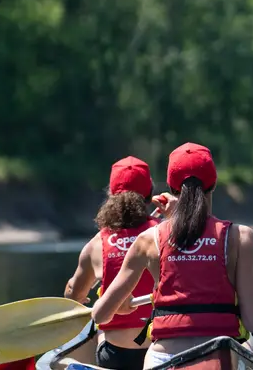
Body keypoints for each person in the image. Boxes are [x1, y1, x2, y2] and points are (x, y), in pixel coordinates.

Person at [92, 142, 253, 369]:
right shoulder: (241, 237)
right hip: (220, 360)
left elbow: (100, 314)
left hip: (162, 362)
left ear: (172, 188)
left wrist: (120, 307)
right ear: (213, 185)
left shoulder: (147, 240)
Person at [64, 156, 161, 370]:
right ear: (150, 194)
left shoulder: (96, 244)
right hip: (160, 350)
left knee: (97, 332)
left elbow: (73, 296)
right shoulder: (165, 233)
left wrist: (82, 292)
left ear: (111, 196)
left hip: (116, 355)